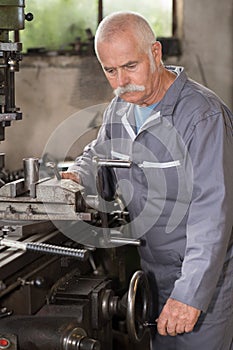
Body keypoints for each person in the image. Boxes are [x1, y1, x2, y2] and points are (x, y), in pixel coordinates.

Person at [62, 11, 233, 350]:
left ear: (155, 53)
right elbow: (99, 153)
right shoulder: (119, 109)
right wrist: (76, 177)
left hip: (202, 280)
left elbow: (212, 215)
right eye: (110, 71)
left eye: (130, 66)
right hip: (152, 274)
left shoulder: (202, 117)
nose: (122, 81)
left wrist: (190, 295)